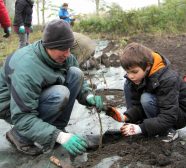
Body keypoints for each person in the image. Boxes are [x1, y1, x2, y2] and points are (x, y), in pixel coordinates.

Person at [0, 19, 104, 156]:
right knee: (60, 94)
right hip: (12, 107)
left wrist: (88, 95)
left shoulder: (65, 56)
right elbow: (23, 117)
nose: (67, 54)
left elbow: (77, 80)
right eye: (62, 49)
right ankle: (19, 136)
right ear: (48, 46)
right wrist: (58, 137)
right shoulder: (27, 68)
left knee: (76, 73)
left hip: (34, 96)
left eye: (69, 48)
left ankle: (57, 128)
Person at [106, 42, 186, 141]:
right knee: (128, 84)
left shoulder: (167, 79)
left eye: (134, 72)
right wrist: (126, 117)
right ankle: (140, 123)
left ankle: (168, 131)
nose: (130, 76)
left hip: (178, 115)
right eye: (127, 72)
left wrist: (141, 128)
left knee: (146, 99)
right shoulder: (135, 77)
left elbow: (169, 116)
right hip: (162, 110)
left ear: (147, 66)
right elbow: (138, 105)